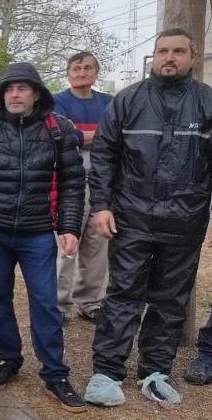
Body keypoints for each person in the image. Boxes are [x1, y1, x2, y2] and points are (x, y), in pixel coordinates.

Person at [84, 28, 212, 408]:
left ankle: (155, 371)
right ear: (153, 56)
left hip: (186, 221)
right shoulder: (128, 99)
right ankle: (107, 372)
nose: (169, 57)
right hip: (131, 218)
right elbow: (103, 155)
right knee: (123, 294)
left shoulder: (207, 102)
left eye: (178, 51)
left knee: (170, 301)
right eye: (163, 51)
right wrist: (101, 206)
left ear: (192, 57)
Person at [0, 62, 86, 412]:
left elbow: (73, 183)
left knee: (45, 303)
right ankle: (8, 358)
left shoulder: (59, 130)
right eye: (9, 89)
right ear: (1, 94)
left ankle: (55, 374)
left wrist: (69, 227)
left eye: (22, 88)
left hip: (38, 233)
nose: (15, 94)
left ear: (36, 93)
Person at [53, 51, 113, 324]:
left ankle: (89, 302)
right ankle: (58, 304)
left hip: (103, 183)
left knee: (98, 246)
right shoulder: (57, 102)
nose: (82, 73)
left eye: (88, 68)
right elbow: (66, 137)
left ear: (96, 73)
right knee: (66, 245)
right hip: (70, 182)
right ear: (68, 73)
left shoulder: (109, 102)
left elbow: (117, 136)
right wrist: (102, 135)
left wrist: (85, 136)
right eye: (76, 68)